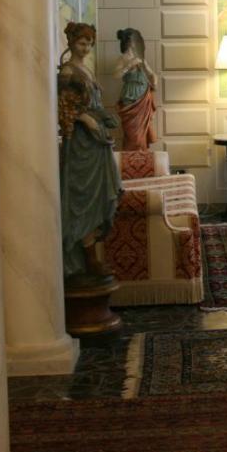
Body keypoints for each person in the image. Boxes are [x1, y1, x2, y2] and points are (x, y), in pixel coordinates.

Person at [57, 22, 121, 282]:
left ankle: (93, 257)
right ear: (71, 43)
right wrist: (86, 119)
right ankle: (89, 259)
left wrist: (104, 117)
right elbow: (63, 107)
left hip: (97, 142)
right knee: (83, 198)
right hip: (81, 143)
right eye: (82, 43)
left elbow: (93, 102)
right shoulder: (67, 72)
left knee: (99, 195)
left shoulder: (85, 69)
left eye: (89, 44)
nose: (85, 48)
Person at [115, 27, 158, 151]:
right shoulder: (123, 58)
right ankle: (131, 157)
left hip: (144, 97)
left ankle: (141, 156)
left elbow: (152, 74)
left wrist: (154, 81)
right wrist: (129, 66)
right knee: (132, 133)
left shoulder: (141, 58)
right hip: (130, 98)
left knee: (142, 132)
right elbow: (116, 75)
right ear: (128, 42)